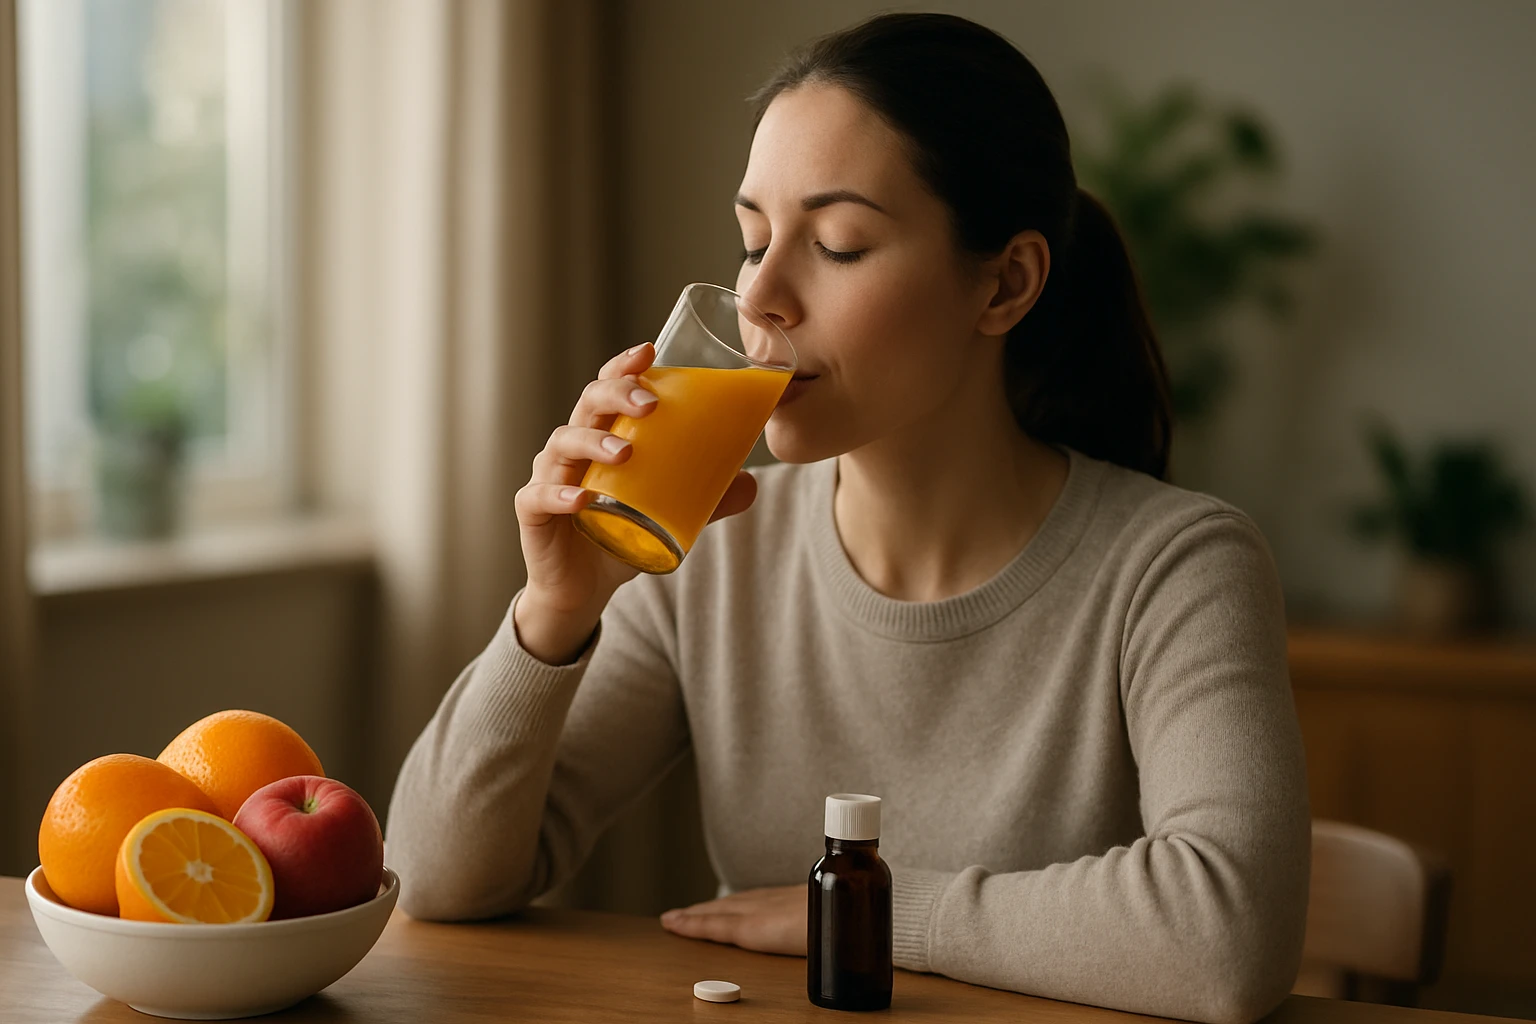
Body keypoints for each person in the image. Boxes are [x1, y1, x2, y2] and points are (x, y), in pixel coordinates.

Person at [385, 12, 1309, 1024]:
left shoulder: (1179, 567)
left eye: (838, 243)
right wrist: (552, 612)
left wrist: (873, 912)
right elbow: (433, 877)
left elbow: (1227, 941)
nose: (763, 295)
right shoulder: (713, 550)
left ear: (1006, 283)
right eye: (751, 239)